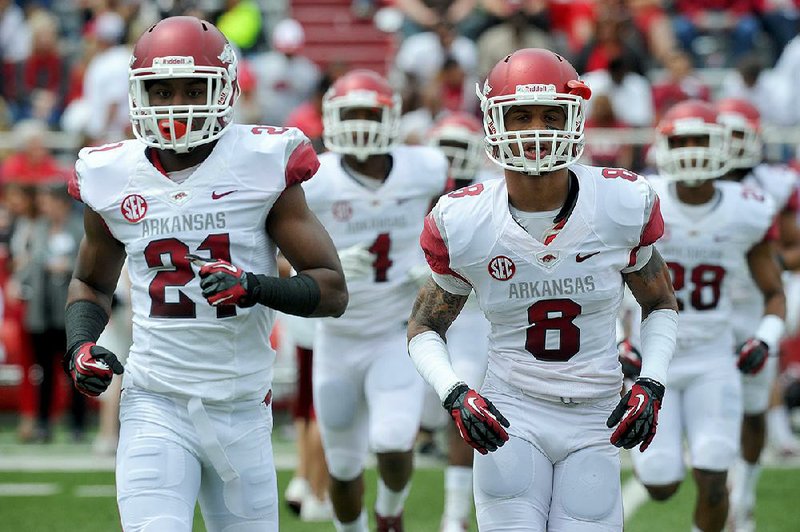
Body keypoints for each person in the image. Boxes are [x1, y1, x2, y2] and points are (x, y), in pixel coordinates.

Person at [63, 16, 348, 532]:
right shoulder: (109, 173)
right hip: (155, 402)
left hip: (242, 409)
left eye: (195, 87)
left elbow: (331, 287)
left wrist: (254, 286)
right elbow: (90, 282)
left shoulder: (262, 161)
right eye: (162, 89)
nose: (178, 104)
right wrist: (80, 345)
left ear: (227, 89)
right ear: (137, 93)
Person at [408, 48, 679, 531]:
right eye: (521, 116)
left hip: (597, 413)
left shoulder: (620, 203)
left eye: (551, 114)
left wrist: (652, 383)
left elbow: (659, 300)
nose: (536, 130)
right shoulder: (463, 218)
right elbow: (425, 324)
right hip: (511, 412)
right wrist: (453, 393)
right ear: (493, 123)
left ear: (575, 120)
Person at [303, 68, 448, 532]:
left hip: (394, 332)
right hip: (338, 337)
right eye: (352, 113)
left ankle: (389, 511)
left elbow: (457, 227)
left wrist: (436, 264)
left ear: (392, 116)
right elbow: (279, 257)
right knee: (343, 467)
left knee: (392, 441)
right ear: (331, 118)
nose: (362, 122)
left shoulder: (423, 167)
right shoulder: (315, 178)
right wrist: (326, 263)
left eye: (371, 112)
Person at [630, 100, 785, 532]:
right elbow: (604, 285)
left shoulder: (746, 207)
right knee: (660, 483)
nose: (693, 149)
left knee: (715, 474)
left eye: (702, 139)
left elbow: (774, 292)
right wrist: (617, 341)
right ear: (663, 146)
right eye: (683, 140)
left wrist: (765, 338)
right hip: (652, 357)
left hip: (714, 356)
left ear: (724, 146)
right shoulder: (640, 199)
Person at [715, 97, 800, 531]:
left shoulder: (776, 183)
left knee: (751, 410)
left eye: (737, 137)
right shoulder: (695, 181)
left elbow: (795, 246)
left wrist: (772, 263)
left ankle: (744, 496)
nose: (728, 147)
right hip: (706, 308)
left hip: (753, 302)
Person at [425, 111, 492, 532]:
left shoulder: (486, 199)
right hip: (419, 319)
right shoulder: (414, 190)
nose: (450, 161)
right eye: (443, 151)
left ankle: (454, 515)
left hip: (473, 321)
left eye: (457, 150)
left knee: (462, 408)